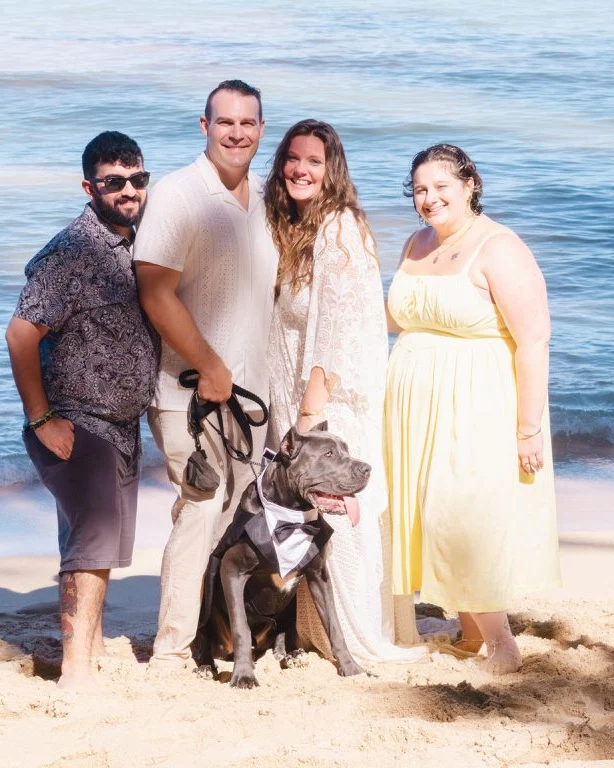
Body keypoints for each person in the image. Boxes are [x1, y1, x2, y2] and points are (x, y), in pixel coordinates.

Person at [384, 143, 561, 674]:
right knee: (423, 512)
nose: (429, 198)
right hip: (414, 404)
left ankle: (502, 641)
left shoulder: (499, 247)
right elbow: (398, 319)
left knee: (459, 515)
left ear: (470, 185)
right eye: (419, 189)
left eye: (441, 186)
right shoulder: (416, 243)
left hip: (477, 404)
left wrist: (528, 430)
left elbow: (534, 340)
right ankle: (467, 629)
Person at [265, 119, 425, 667]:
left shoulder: (338, 228)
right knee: (311, 514)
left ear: (333, 171)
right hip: (297, 395)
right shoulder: (295, 224)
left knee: (340, 517)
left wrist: (309, 417)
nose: (301, 169)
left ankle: (356, 637)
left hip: (327, 404)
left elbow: (331, 332)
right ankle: (314, 631)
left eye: (314, 161)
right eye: (293, 158)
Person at [5, 131, 159, 689]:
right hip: (76, 418)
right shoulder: (72, 252)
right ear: (89, 186)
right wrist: (44, 419)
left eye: (137, 179)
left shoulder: (136, 243)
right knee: (90, 545)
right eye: (113, 181)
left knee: (100, 547)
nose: (128, 191)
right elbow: (20, 336)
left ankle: (89, 649)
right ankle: (76, 671)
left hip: (119, 424)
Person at [133, 80, 278, 667]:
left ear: (262, 130)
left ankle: (213, 638)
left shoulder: (268, 194)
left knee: (237, 513)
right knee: (199, 507)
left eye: (248, 123)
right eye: (225, 123)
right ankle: (170, 650)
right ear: (204, 125)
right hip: (188, 391)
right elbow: (154, 292)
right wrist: (210, 365)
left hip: (252, 393)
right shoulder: (176, 195)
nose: (237, 133)